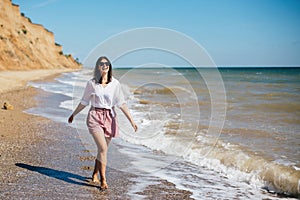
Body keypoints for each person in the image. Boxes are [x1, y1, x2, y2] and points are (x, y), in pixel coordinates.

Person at [68, 56, 138, 189]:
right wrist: (74, 114)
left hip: (110, 118)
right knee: (103, 149)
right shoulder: (92, 83)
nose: (105, 65)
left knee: (102, 150)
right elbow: (84, 101)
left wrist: (132, 121)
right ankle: (103, 180)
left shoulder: (115, 84)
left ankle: (95, 173)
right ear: (98, 67)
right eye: (102, 64)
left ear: (109, 67)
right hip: (95, 116)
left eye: (107, 64)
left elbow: (121, 103)